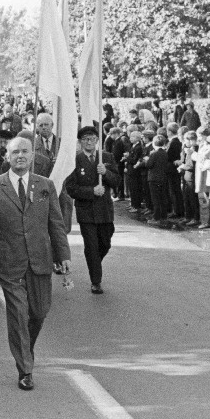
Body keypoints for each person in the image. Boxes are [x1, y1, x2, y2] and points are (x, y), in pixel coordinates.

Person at [0, 137, 71, 391]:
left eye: (25, 152)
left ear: (32, 157)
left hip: (40, 260)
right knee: (18, 314)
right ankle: (25, 369)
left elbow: (56, 224)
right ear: (6, 156)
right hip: (8, 263)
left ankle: (25, 347)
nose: (20, 156)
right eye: (15, 152)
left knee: (39, 312)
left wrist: (63, 255)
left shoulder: (46, 186)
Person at [66, 126, 119, 294]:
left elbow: (117, 181)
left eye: (92, 139)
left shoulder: (107, 157)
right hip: (86, 211)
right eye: (85, 139)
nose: (89, 142)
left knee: (105, 243)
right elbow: (71, 188)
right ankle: (96, 281)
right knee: (91, 246)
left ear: (97, 140)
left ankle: (95, 262)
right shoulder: (75, 160)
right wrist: (91, 191)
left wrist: (107, 173)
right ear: (80, 142)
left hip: (104, 210)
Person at [144, 135, 170, 225]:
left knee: (155, 199)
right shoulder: (165, 153)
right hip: (163, 178)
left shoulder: (154, 154)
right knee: (162, 198)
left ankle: (156, 218)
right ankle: (163, 216)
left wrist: (147, 160)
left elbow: (149, 165)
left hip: (154, 178)